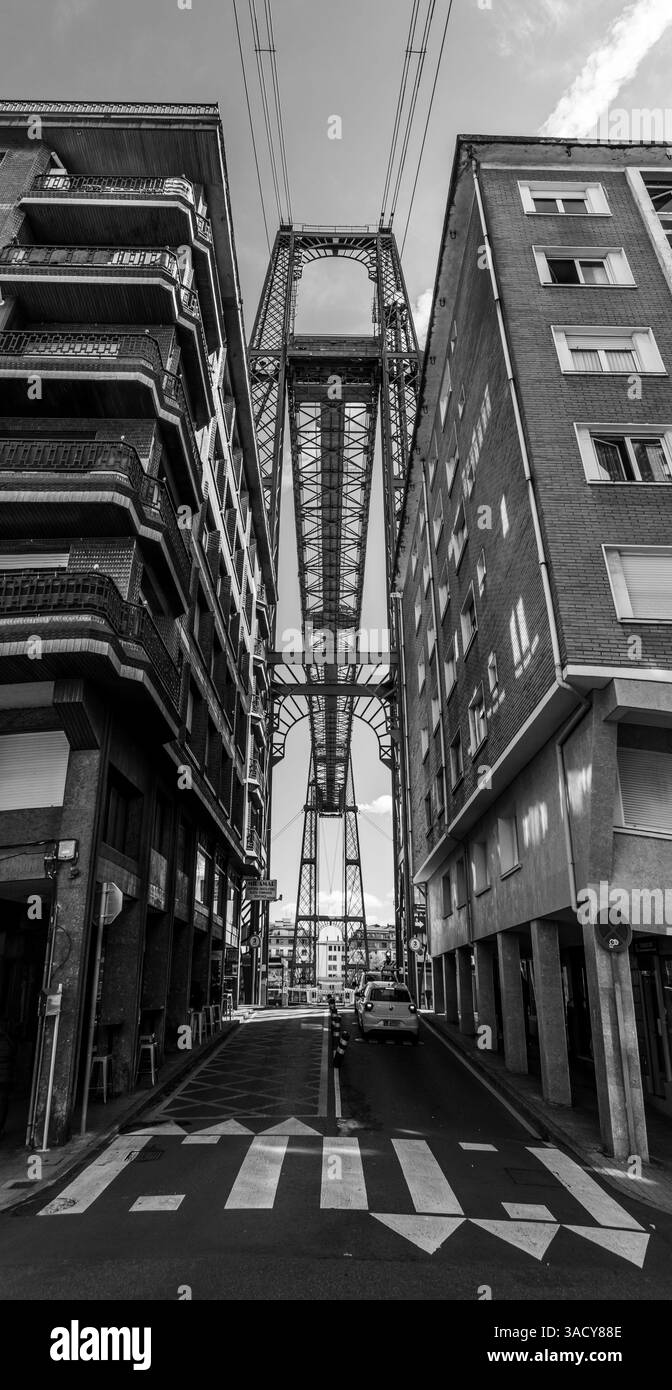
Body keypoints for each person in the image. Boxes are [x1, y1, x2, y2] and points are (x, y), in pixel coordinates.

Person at [0, 1021, 16, 1140]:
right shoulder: (8, 1040)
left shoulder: (5, 1041)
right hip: (6, 1077)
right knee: (3, 1102)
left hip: (4, 1076)